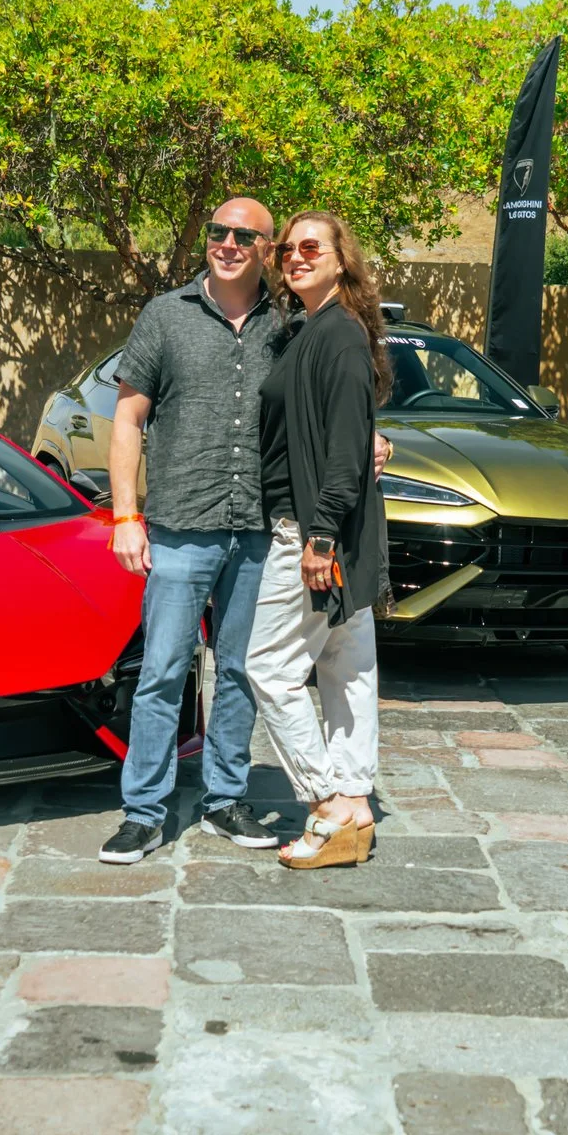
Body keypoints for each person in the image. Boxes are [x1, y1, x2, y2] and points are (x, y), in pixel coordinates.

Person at [97, 197, 287, 864]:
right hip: (180, 526)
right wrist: (126, 516)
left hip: (258, 527)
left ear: (267, 249)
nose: (227, 243)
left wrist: (373, 439)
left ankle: (224, 798)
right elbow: (128, 420)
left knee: (239, 671)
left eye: (244, 235)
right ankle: (143, 812)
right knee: (162, 672)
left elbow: (332, 395)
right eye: (218, 232)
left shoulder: (286, 323)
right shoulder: (165, 314)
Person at [245, 211, 390, 871]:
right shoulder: (312, 330)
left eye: (311, 247)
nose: (296, 257)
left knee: (269, 667)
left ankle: (326, 801)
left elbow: (343, 447)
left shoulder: (338, 334)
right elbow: (352, 431)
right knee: (344, 665)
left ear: (340, 260)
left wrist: (321, 536)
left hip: (311, 531)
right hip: (331, 528)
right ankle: (355, 803)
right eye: (287, 249)